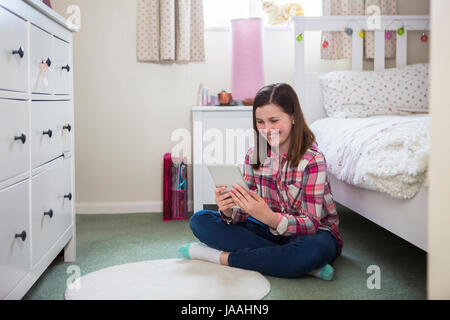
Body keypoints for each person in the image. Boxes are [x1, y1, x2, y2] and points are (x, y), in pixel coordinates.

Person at [179, 83, 343, 280]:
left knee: (313, 250)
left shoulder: (312, 160)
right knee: (200, 220)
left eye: (274, 120)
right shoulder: (254, 155)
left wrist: (270, 217)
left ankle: (218, 257)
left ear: (293, 117)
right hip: (270, 230)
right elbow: (243, 214)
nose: (267, 129)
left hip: (312, 233)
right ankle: (296, 263)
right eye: (260, 122)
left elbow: (311, 224)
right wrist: (228, 209)